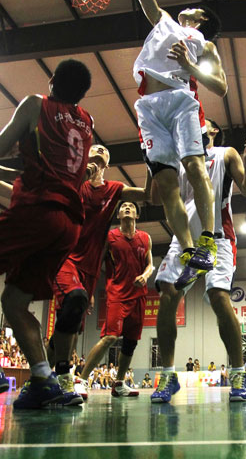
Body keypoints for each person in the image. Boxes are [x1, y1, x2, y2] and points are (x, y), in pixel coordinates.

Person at [126, 0, 227, 288]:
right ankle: (189, 252)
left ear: (201, 19)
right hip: (150, 107)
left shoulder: (206, 44)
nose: (189, 7)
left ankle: (208, 242)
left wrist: (191, 66)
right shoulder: (164, 21)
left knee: (195, 168)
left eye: (196, 8)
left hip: (182, 101)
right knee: (167, 185)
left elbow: (221, 87)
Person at [0, 59, 94, 409]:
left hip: (39, 210)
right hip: (68, 225)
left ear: (52, 80)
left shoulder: (35, 104)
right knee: (14, 302)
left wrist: (17, 144)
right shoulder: (87, 122)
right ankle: (43, 378)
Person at [150, 119, 246, 403]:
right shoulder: (179, 160)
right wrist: (155, 163)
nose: (194, 122)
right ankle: (168, 375)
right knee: (168, 295)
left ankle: (238, 373)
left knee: (219, 297)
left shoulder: (225, 154)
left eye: (202, 120)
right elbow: (154, 198)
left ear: (213, 131)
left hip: (219, 238)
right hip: (183, 239)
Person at [48, 145, 149, 400]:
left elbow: (149, 194)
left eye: (103, 151)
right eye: (94, 148)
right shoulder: (74, 182)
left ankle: (43, 376)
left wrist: (153, 162)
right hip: (66, 257)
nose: (99, 150)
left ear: (108, 163)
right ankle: (61, 377)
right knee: (74, 308)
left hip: (90, 271)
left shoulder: (114, 190)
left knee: (72, 327)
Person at [78, 201, 153, 398]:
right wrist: (90, 291)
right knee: (110, 337)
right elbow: (95, 265)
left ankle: (119, 384)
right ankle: (81, 380)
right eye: (123, 206)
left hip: (139, 297)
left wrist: (145, 275)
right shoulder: (109, 237)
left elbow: (150, 264)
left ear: (137, 215)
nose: (127, 207)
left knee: (131, 342)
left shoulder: (145, 238)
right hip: (117, 295)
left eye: (132, 206)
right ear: (118, 215)